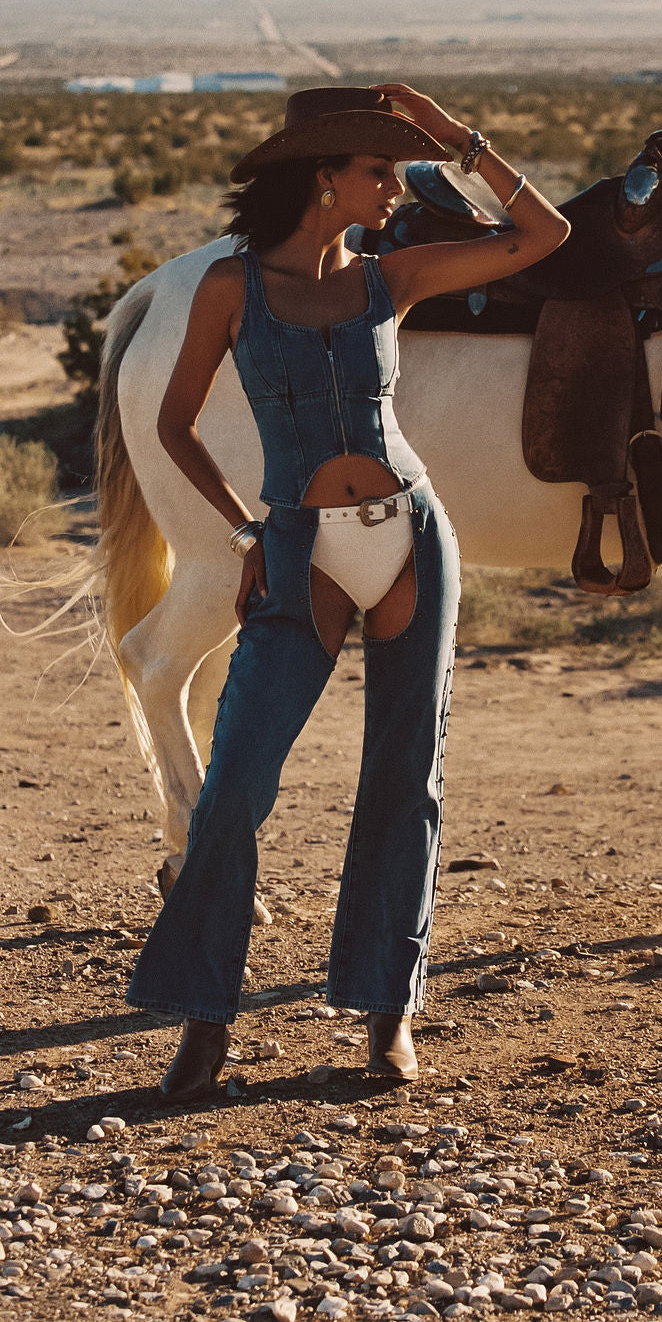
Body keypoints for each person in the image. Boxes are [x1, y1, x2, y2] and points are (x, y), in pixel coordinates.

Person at [126, 84, 569, 1098]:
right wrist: (244, 528)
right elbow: (175, 425)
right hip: (296, 548)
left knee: (403, 774)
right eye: (379, 168)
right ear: (325, 177)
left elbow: (542, 233)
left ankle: (385, 1011)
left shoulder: (391, 276)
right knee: (236, 782)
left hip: (410, 535)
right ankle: (204, 1016)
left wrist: (460, 138)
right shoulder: (232, 288)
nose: (395, 184)